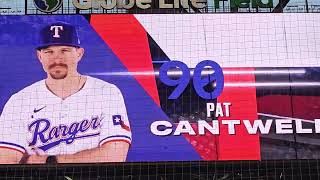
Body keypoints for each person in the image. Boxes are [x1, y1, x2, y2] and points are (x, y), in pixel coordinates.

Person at [0, 22, 132, 164]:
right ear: (39, 56)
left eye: (64, 50)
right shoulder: (19, 100)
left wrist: (50, 161)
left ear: (79, 54)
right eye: (49, 52)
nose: (57, 59)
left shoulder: (107, 92)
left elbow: (115, 156)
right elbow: (5, 159)